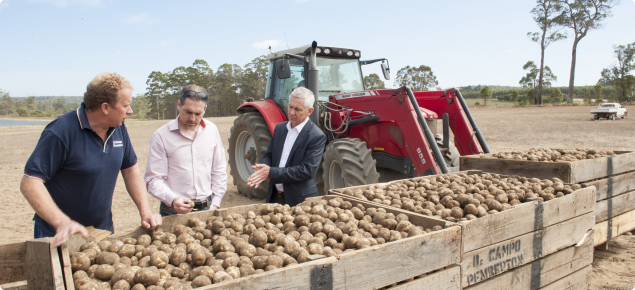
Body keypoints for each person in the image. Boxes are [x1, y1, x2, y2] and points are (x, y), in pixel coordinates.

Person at [21, 72, 162, 247]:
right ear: (105, 107)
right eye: (125, 105)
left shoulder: (118, 128)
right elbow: (30, 182)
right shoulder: (60, 132)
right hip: (58, 234)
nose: (130, 111)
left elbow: (130, 168)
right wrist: (62, 222)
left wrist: (145, 211)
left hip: (102, 232)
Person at [145, 85, 227, 216]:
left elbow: (218, 169)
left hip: (207, 208)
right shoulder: (161, 136)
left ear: (205, 109)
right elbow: (153, 180)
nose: (192, 119)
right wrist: (173, 200)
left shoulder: (212, 130)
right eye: (188, 112)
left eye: (198, 113)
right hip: (173, 211)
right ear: (178, 105)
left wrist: (216, 203)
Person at [247, 87, 327, 206]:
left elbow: (307, 171)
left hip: (301, 202)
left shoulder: (316, 136)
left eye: (297, 109)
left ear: (310, 111)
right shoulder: (280, 129)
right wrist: (263, 168)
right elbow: (270, 154)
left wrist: (270, 172)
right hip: (275, 199)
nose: (291, 112)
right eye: (290, 107)